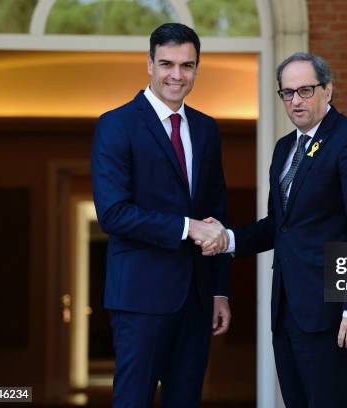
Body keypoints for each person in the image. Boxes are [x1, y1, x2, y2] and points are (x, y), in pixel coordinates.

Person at [201, 52, 347, 407]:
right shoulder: (285, 148)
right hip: (287, 309)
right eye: (287, 93)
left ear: (328, 90)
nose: (296, 101)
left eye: (305, 90)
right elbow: (279, 227)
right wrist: (227, 239)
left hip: (330, 311)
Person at [91, 23, 231, 407]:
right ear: (149, 63)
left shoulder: (206, 129)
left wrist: (219, 291)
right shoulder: (116, 124)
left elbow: (216, 213)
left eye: (187, 66)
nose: (176, 75)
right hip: (140, 298)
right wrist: (188, 228)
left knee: (185, 400)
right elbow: (114, 213)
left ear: (197, 69)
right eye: (166, 63)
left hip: (197, 298)